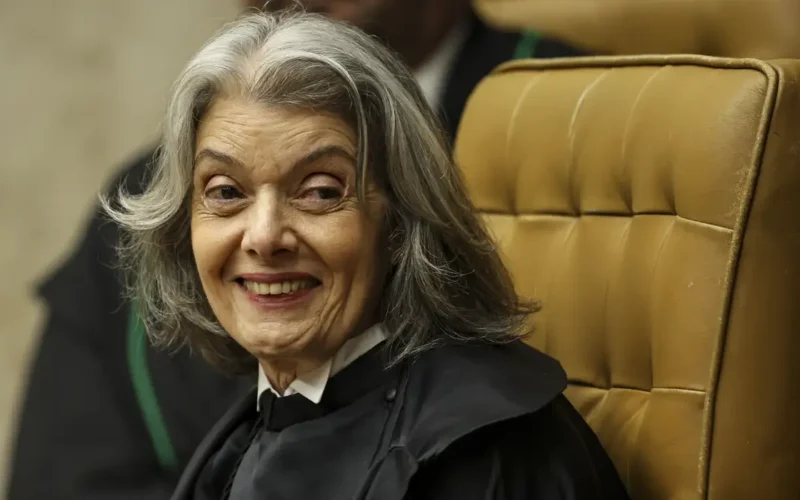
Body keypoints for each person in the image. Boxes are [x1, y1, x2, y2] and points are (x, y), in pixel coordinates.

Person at [7, 1, 585, 499]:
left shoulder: (478, 451)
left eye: (320, 192)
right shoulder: (253, 433)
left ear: (404, 220)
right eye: (226, 192)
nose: (263, 237)